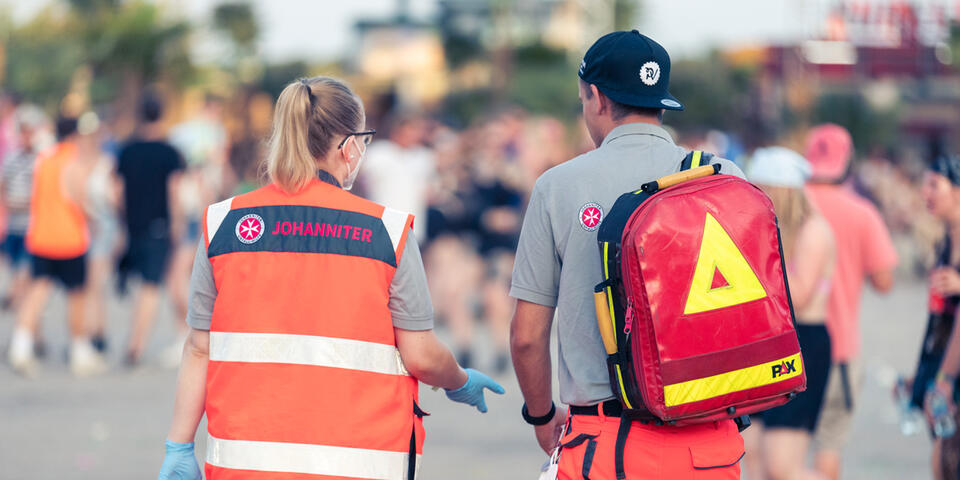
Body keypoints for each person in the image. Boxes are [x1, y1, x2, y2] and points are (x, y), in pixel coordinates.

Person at [157, 76, 504, 480]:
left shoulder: (224, 223)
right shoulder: (387, 231)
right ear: (348, 146)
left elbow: (199, 347)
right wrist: (458, 380)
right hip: (359, 463)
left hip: (245, 465)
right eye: (363, 140)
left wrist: (179, 445)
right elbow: (421, 355)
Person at [510, 31, 745, 480]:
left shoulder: (558, 186)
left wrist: (541, 417)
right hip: (709, 443)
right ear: (662, 103)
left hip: (606, 444)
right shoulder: (722, 175)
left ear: (597, 97)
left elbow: (527, 337)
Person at [804, 124, 898, 480]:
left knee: (782, 448)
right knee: (828, 443)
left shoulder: (787, 204)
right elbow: (884, 281)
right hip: (838, 349)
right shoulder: (861, 212)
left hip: (785, 350)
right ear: (847, 162)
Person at [747, 147, 835, 480]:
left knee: (781, 467)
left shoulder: (813, 230)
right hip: (766, 343)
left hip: (804, 343)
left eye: (761, 189)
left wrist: (757, 258)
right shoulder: (771, 227)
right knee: (752, 458)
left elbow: (798, 296)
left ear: (779, 190)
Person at [7, 115, 105, 377]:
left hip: (41, 237)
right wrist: (94, 220)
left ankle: (20, 346)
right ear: (75, 135)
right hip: (70, 240)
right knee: (76, 296)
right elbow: (78, 198)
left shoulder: (44, 159)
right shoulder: (73, 160)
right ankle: (79, 350)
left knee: (37, 292)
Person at [115, 93, 186, 365]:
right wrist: (177, 224)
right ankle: (136, 344)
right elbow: (174, 191)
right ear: (162, 115)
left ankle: (141, 339)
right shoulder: (169, 153)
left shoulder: (126, 150)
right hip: (159, 226)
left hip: (133, 226)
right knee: (151, 286)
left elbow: (117, 192)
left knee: (145, 284)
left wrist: (123, 221)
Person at [911, 152, 960, 480]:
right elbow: (938, 319)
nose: (925, 193)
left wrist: (944, 380)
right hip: (944, 364)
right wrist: (920, 374)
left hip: (952, 373)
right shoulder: (945, 242)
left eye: (934, 185)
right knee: (942, 463)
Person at [0, 105, 47, 312]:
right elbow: (3, 186)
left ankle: (16, 302)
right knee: (17, 271)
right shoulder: (11, 159)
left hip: (33, 227)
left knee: (24, 272)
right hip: (13, 225)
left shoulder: (41, 159)